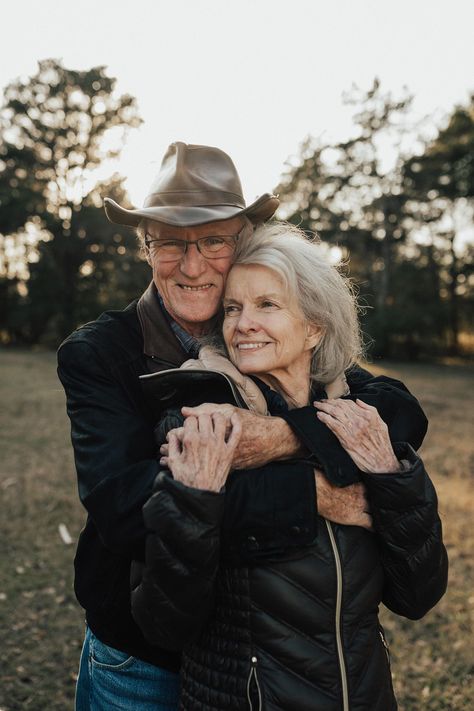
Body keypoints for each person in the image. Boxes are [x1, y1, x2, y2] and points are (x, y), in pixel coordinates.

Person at [57, 142, 430, 710]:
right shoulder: (98, 352)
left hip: (258, 659)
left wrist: (284, 436)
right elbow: (127, 509)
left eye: (213, 240)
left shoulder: (260, 331)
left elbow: (394, 406)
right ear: (145, 247)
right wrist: (312, 492)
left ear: (241, 242)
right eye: (169, 243)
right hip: (142, 659)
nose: (192, 265)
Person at [132, 223, 448, 711]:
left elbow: (418, 595)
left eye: (268, 305)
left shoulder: (358, 421)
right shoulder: (203, 425)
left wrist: (390, 476)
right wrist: (195, 499)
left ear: (314, 327)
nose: (243, 323)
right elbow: (165, 624)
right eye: (233, 308)